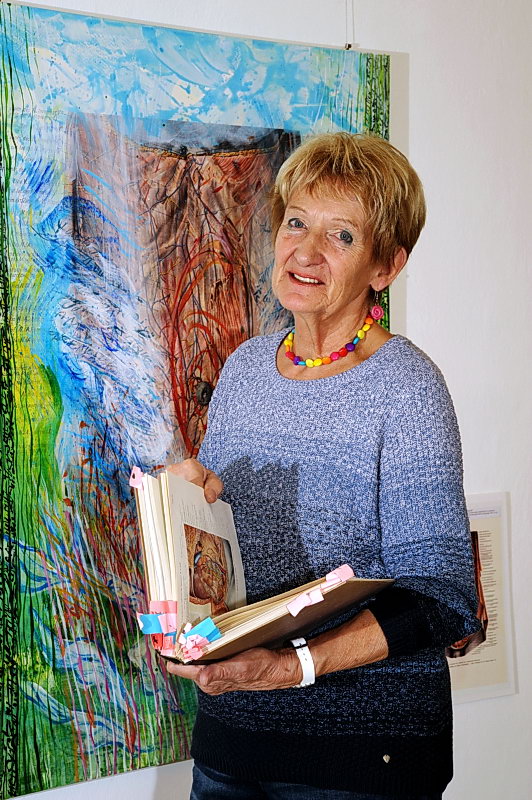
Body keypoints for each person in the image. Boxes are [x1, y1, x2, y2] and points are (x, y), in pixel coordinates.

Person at [166, 132, 479, 799]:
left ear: (384, 266)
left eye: (341, 236)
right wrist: (188, 514)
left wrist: (287, 668)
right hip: (231, 741)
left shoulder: (407, 388)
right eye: (297, 223)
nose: (306, 252)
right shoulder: (246, 368)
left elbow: (442, 599)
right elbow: (225, 557)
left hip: (361, 761)